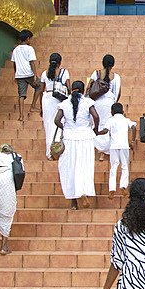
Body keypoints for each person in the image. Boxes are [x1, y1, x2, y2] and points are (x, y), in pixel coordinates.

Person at [54, 81, 101, 209]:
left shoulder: (64, 103)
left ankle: (74, 201)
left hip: (69, 139)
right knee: (84, 167)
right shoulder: (87, 102)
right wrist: (95, 129)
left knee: (70, 168)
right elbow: (96, 116)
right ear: (82, 90)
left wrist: (66, 128)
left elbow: (56, 121)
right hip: (85, 138)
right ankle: (83, 191)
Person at [31, 52, 69, 159]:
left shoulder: (44, 74)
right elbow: (69, 87)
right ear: (60, 62)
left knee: (49, 127)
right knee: (60, 125)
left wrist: (41, 107)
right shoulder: (64, 73)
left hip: (47, 100)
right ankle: (59, 150)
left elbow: (41, 90)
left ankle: (50, 153)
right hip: (60, 99)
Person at [98, 103, 136, 200]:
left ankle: (112, 189)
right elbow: (134, 127)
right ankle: (123, 186)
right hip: (124, 146)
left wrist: (97, 132)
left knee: (113, 167)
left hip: (114, 146)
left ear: (112, 112)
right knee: (124, 166)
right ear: (123, 112)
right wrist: (132, 141)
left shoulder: (110, 120)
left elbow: (105, 131)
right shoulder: (125, 120)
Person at [90, 54, 121, 160]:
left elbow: (89, 88)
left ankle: (99, 149)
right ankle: (105, 151)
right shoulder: (116, 77)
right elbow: (118, 93)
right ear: (113, 64)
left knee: (97, 125)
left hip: (97, 104)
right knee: (107, 127)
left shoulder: (96, 73)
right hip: (109, 104)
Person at [11, 29, 38, 121]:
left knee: (21, 95)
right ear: (27, 39)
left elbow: (14, 64)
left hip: (19, 75)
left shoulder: (15, 49)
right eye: (30, 39)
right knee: (39, 87)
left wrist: (16, 74)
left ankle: (21, 115)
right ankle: (33, 106)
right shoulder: (30, 49)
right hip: (29, 73)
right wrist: (35, 75)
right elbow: (32, 63)